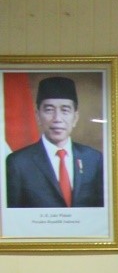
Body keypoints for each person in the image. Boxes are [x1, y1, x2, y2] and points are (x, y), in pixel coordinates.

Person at [5, 76, 106, 209]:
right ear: (37, 116)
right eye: (49, 110)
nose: (57, 118)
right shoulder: (18, 162)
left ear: (75, 117)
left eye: (65, 110)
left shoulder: (94, 159)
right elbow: (12, 215)